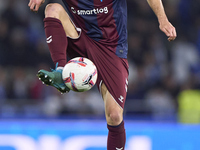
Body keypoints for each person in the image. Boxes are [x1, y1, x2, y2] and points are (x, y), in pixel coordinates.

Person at [28, 0, 176, 149]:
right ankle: (60, 71)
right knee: (53, 9)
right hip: (80, 37)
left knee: (115, 115)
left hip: (111, 49)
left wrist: (163, 19)